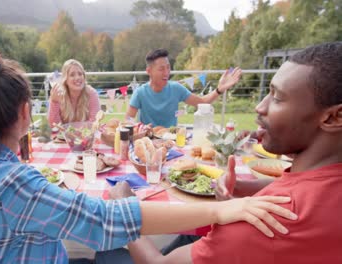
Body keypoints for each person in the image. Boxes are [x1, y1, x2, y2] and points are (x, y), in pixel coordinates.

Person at [0, 41, 297, 263]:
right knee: (112, 249)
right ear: (26, 113)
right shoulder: (17, 182)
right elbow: (105, 222)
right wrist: (221, 208)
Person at [124, 42, 342, 263]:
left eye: (277, 97)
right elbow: (299, 186)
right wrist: (242, 187)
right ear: (149, 70)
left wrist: (125, 209)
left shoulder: (266, 222)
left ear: (334, 117)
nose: (259, 107)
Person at [126, 49, 242, 127]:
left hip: (171, 141)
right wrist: (139, 129)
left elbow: (202, 102)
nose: (166, 73)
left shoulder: (176, 88)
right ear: (149, 71)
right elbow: (128, 120)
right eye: (161, 69)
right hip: (148, 141)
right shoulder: (140, 93)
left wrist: (219, 89)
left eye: (168, 67)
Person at [47, 59, 100, 126]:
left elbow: (94, 123)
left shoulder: (91, 93)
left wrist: (74, 131)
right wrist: (54, 102)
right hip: (64, 136)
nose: (77, 77)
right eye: (72, 75)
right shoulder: (59, 95)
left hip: (87, 135)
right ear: (65, 79)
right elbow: (53, 125)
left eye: (80, 74)